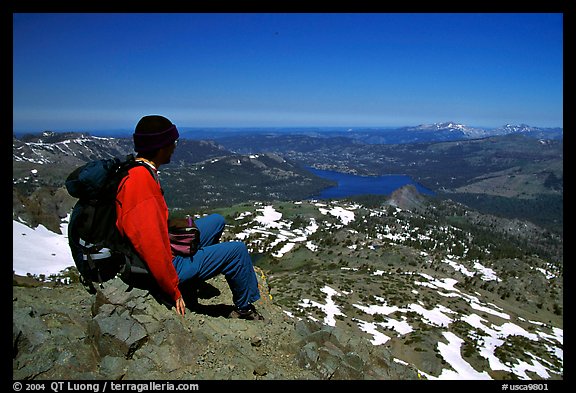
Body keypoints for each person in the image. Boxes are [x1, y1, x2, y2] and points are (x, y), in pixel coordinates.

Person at [115, 114, 263, 320]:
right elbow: (150, 246)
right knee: (237, 251)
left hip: (166, 247)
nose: (175, 147)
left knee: (216, 221)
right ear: (161, 145)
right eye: (173, 142)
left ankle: (194, 277)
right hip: (164, 265)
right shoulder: (141, 185)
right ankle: (244, 309)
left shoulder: (140, 170)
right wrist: (173, 289)